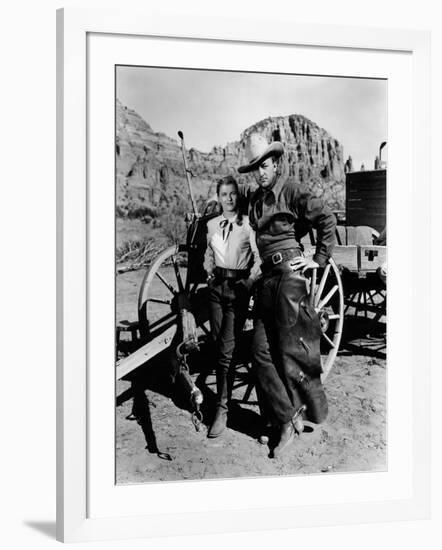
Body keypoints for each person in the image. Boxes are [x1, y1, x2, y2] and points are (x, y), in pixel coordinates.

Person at [237, 134, 336, 458]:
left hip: (290, 280)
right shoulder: (254, 201)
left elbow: (325, 218)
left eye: (265, 166)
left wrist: (317, 259)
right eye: (256, 168)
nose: (260, 173)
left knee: (292, 353)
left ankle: (288, 423)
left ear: (275, 163)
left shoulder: (290, 189)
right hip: (267, 281)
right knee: (259, 351)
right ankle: (286, 418)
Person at [203, 175, 261, 438]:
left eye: (232, 194)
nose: (228, 198)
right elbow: (208, 253)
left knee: (226, 351)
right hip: (216, 288)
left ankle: (222, 409)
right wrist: (208, 272)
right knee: (217, 344)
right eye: (223, 194)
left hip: (237, 289)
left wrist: (248, 283)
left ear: (238, 197)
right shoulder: (212, 224)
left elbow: (258, 261)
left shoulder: (248, 225)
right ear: (219, 197)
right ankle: (222, 400)